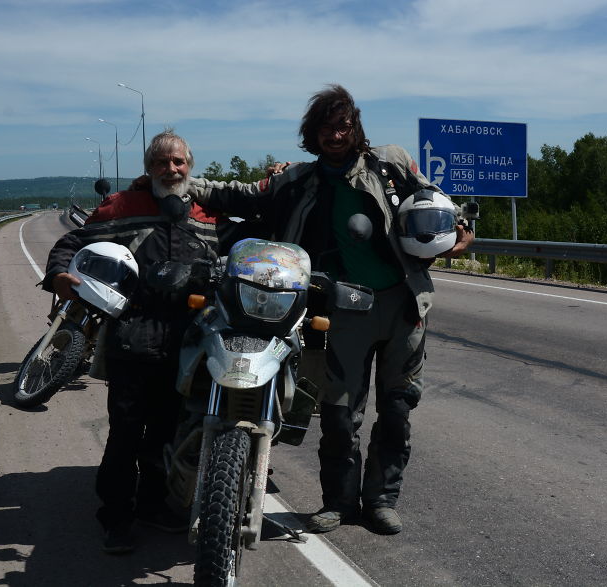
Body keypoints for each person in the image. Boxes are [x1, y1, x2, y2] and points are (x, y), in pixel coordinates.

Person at [186, 84, 474, 535]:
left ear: (355, 127)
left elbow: (435, 201)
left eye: (342, 126)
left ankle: (381, 500)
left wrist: (460, 233)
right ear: (312, 134)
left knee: (398, 408)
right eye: (326, 128)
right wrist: (182, 184)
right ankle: (338, 502)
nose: (335, 135)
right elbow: (239, 194)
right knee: (340, 412)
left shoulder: (391, 162)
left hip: (403, 305)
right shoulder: (298, 179)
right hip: (342, 309)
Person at [42, 129, 222, 553]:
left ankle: (153, 505)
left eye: (178, 162)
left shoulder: (208, 212)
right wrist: (59, 275)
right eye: (162, 162)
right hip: (134, 331)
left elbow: (244, 249)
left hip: (191, 340)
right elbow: (73, 242)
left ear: (189, 167)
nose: (171, 168)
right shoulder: (121, 206)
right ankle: (116, 516)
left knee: (167, 430)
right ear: (149, 168)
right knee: (126, 431)